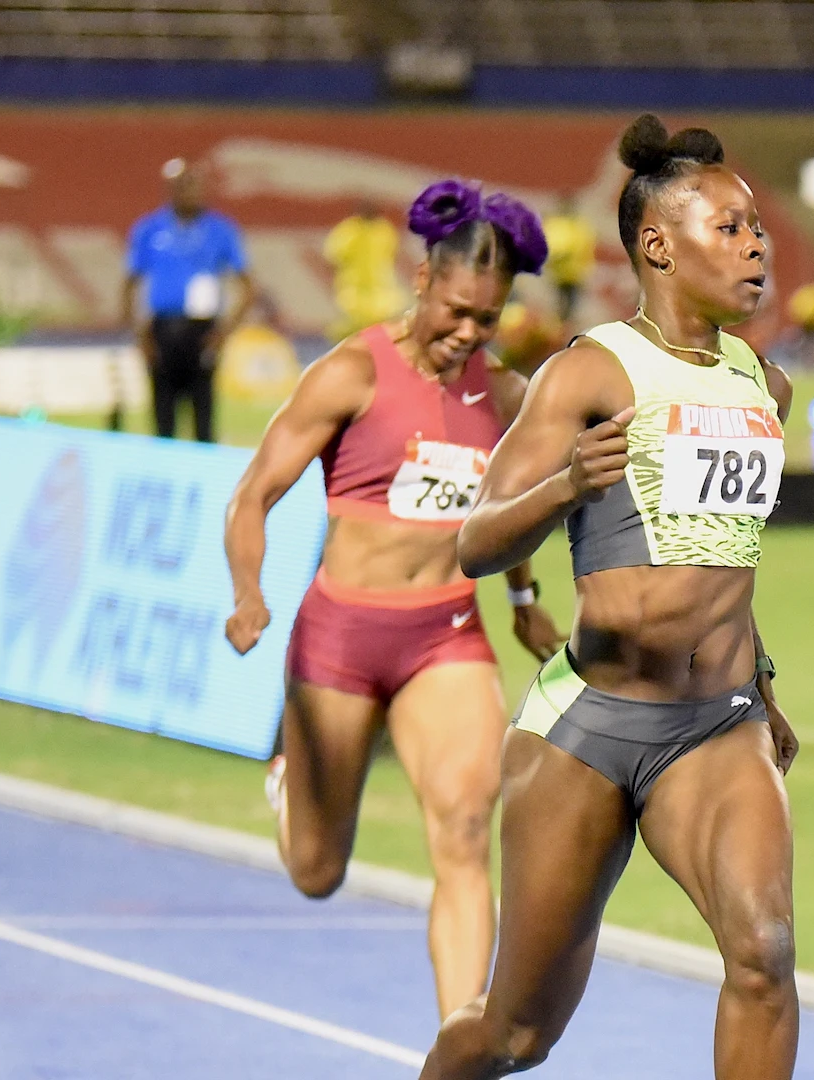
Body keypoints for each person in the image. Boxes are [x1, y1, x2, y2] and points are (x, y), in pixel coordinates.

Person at [420, 114, 800, 1080]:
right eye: (730, 228)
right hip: (590, 726)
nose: (757, 245)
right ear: (658, 244)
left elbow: (728, 557)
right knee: (516, 1035)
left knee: (763, 957)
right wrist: (564, 489)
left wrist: (761, 680)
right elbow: (474, 542)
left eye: (758, 227)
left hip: (718, 724)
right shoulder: (589, 372)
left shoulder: (768, 387)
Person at [223, 179, 563, 1020]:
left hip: (445, 634)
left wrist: (522, 599)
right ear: (422, 282)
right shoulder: (349, 374)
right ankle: (289, 779)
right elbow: (252, 495)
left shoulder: (508, 398)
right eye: (455, 311)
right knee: (316, 871)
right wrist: (248, 593)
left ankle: (461, 1041)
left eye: (486, 319)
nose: (467, 333)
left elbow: (508, 514)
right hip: (340, 636)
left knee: (462, 830)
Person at [123, 157, 254, 442]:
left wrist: (225, 332)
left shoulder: (221, 230)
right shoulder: (149, 229)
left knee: (204, 420)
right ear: (168, 189)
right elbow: (129, 285)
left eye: (191, 185)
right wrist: (139, 334)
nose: (186, 191)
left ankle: (205, 481)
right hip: (162, 330)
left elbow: (247, 286)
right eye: (178, 185)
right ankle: (166, 477)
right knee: (162, 422)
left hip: (203, 330)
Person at [324, 199, 404, 341]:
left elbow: (392, 256)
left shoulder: (384, 230)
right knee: (348, 336)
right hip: (354, 292)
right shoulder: (348, 230)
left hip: (380, 292)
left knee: (385, 335)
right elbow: (333, 259)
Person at [540, 194, 596, 326]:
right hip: (562, 272)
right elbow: (556, 247)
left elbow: (585, 246)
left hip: (574, 272)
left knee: (570, 305)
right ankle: (560, 326)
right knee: (563, 303)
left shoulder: (577, 225)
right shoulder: (561, 224)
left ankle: (563, 326)